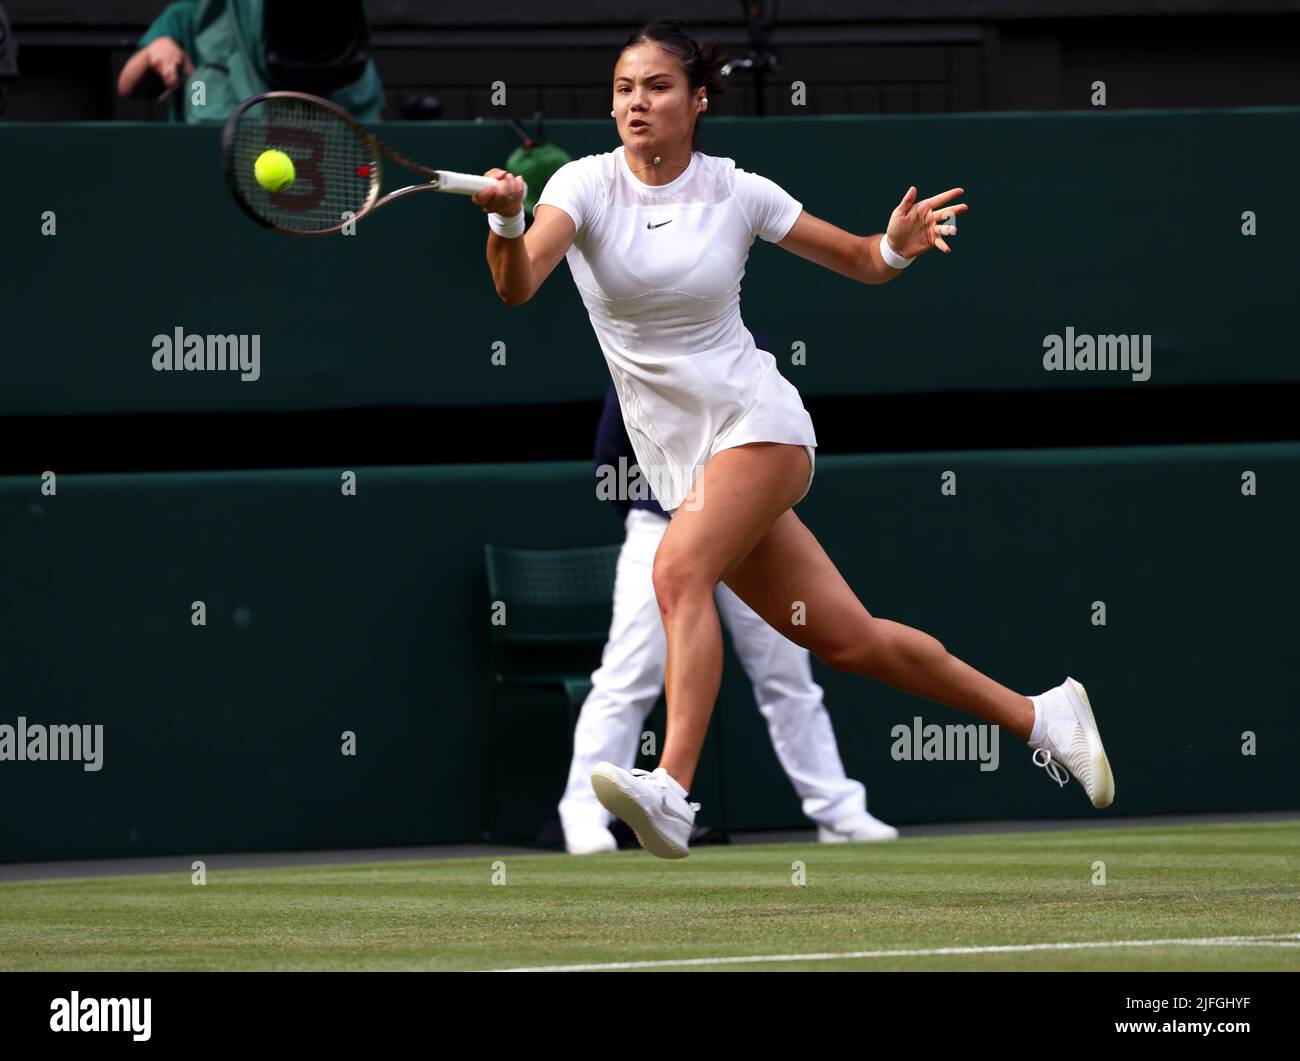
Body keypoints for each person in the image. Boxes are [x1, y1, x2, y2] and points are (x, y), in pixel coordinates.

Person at [476, 17, 1114, 860]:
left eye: (658, 87)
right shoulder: (582, 189)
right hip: (679, 463)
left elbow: (858, 257)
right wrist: (508, 225)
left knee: (677, 566)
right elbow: (517, 288)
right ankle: (1042, 715)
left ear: (697, 102)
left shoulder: (738, 190)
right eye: (625, 87)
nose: (638, 102)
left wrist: (898, 244)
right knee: (852, 639)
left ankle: (669, 787)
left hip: (759, 426)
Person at [560, 373, 898, 855]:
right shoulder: (636, 348)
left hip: (750, 528)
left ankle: (838, 811)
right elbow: (610, 457)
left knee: (786, 675)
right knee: (627, 675)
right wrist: (661, 511)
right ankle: (584, 817)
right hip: (658, 524)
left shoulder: (749, 353)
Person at [116, 0, 384, 123]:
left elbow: (371, 115)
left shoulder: (341, 32)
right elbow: (127, 86)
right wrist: (155, 50)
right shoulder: (189, 15)